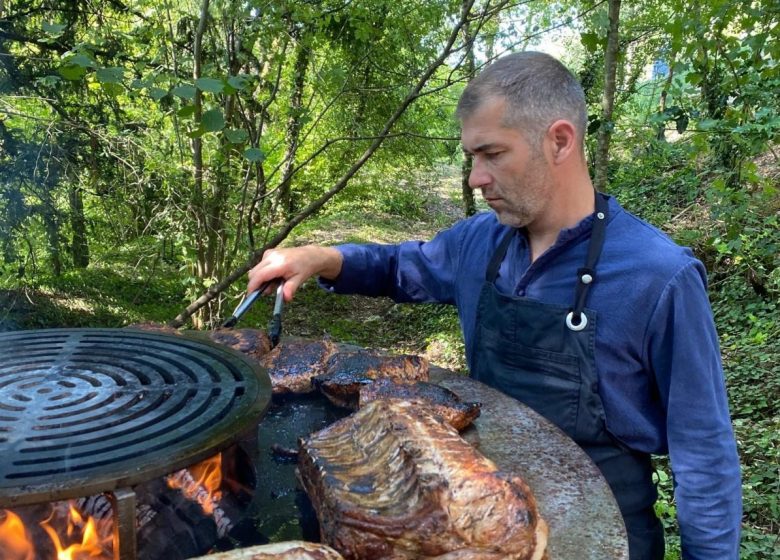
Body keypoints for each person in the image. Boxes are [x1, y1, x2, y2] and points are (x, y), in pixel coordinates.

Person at [247, 51, 742, 559]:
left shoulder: (657, 276)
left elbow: (703, 453)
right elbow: (401, 267)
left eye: (492, 154)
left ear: (560, 141)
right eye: (471, 158)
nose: (475, 178)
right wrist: (322, 257)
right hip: (477, 521)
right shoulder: (482, 242)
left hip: (605, 537)